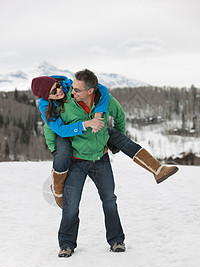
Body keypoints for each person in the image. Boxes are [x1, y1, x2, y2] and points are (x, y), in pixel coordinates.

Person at [33, 69, 178, 257]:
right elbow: (52, 129)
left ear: (90, 91)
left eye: (69, 88)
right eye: (55, 91)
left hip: (100, 159)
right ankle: (66, 244)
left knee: (109, 200)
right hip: (77, 161)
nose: (67, 91)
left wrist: (112, 139)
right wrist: (56, 148)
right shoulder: (62, 104)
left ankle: (117, 240)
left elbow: (119, 115)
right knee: (71, 206)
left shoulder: (102, 98)